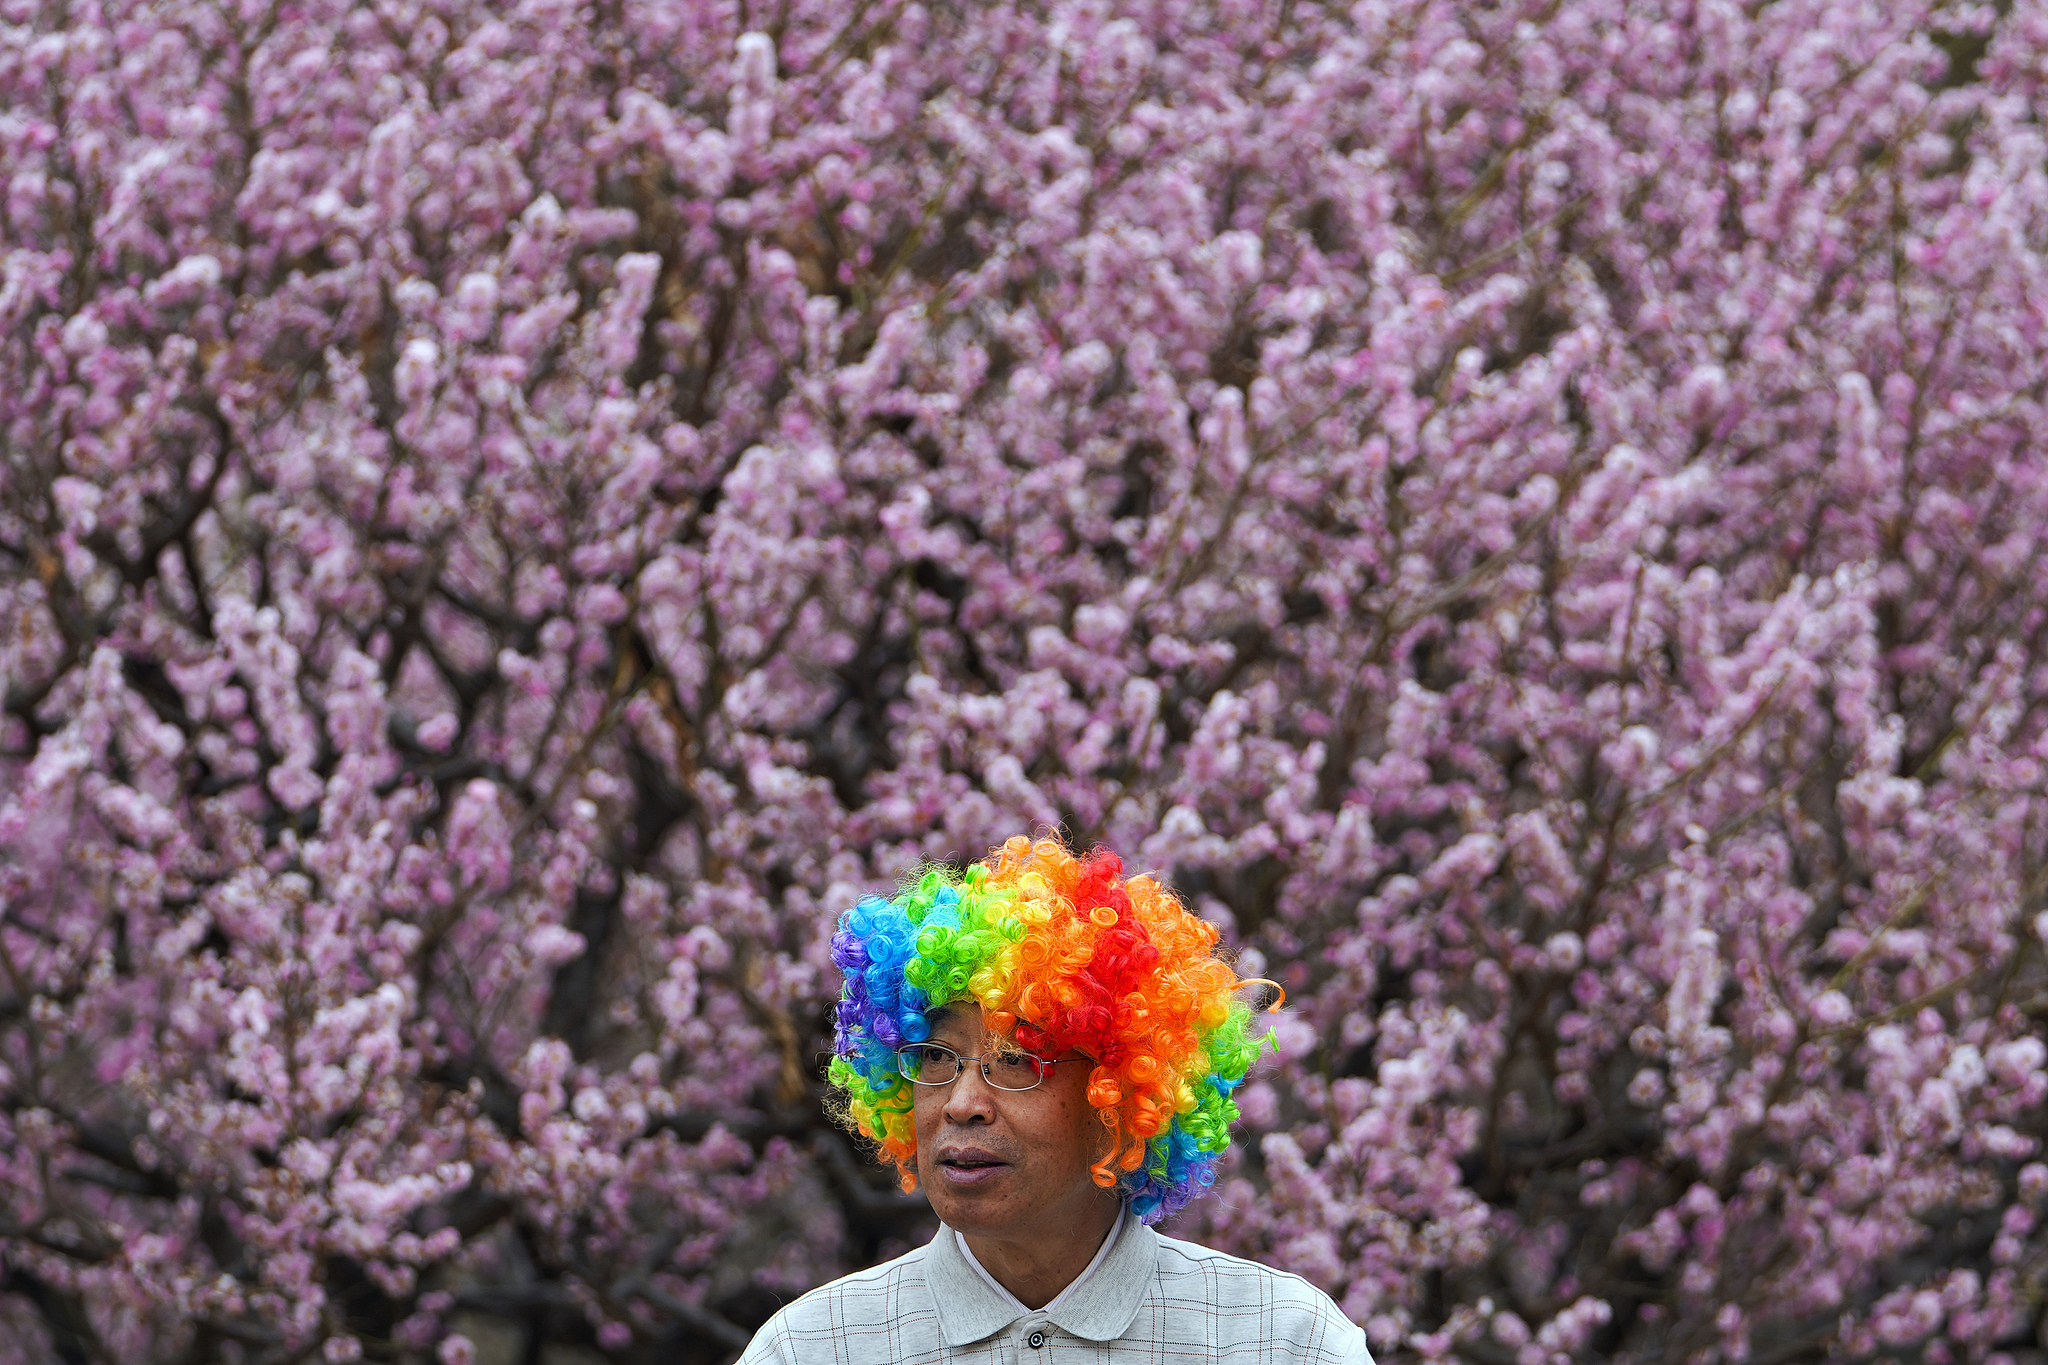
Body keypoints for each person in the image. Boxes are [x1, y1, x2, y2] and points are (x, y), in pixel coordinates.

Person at [737, 835, 1371, 1363]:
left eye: (1014, 1061)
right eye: (934, 1056)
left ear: (1119, 1097)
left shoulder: (1283, 1341)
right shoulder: (811, 1349)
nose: (962, 1102)